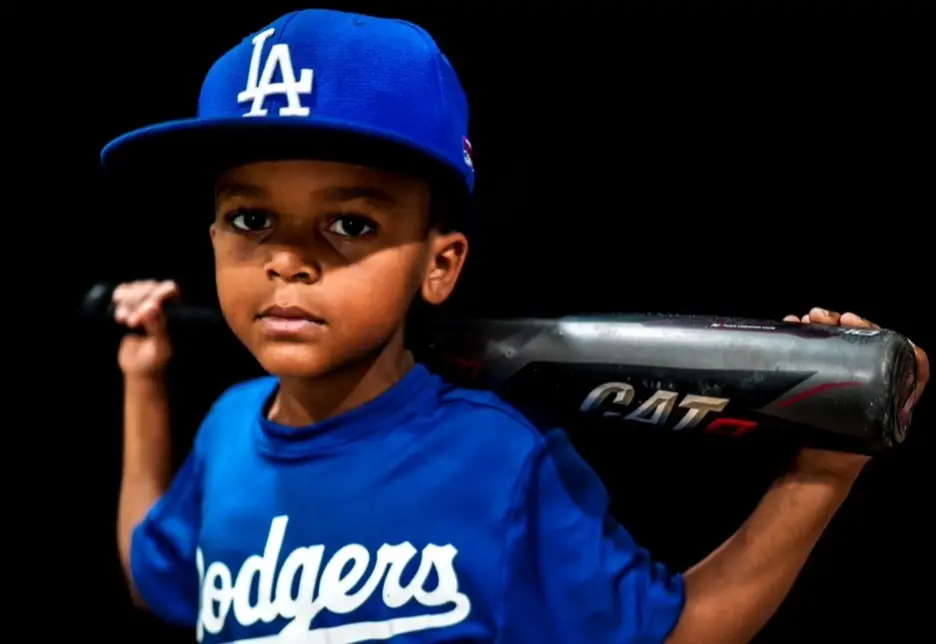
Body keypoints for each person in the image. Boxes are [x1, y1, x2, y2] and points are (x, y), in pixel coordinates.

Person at [104, 9, 929, 644]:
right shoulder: (226, 431)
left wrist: (820, 475)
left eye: (350, 224)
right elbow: (154, 575)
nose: (287, 260)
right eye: (250, 219)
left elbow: (681, 631)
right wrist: (145, 381)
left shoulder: (493, 457)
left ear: (440, 264)